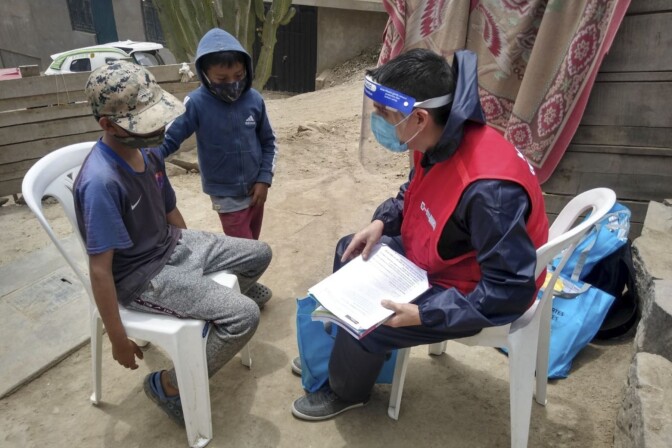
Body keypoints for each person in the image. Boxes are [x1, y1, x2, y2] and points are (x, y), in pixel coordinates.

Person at [291, 49, 549, 420]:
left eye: (384, 114)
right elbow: (415, 194)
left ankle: (347, 389)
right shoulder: (435, 138)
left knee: (372, 322)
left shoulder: (489, 192)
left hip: (476, 287)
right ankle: (341, 357)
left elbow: (509, 289)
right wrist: (383, 222)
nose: (378, 121)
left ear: (419, 117)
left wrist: (425, 314)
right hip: (447, 254)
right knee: (350, 250)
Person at [74, 60, 273, 426]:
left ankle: (211, 309)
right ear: (107, 124)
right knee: (244, 316)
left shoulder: (149, 154)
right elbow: (101, 272)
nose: (158, 130)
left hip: (173, 245)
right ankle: (168, 385)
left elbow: (169, 209)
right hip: (143, 277)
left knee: (260, 253)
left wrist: (198, 254)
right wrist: (117, 338)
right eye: (146, 124)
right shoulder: (101, 184)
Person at [160, 28, 277, 244]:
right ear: (205, 74)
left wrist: (264, 179)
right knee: (245, 250)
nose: (232, 83)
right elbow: (167, 140)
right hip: (226, 195)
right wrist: (145, 162)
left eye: (239, 75)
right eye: (222, 78)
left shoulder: (255, 100)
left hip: (256, 191)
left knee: (253, 246)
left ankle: (244, 277)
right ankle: (244, 277)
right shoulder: (196, 103)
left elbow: (269, 143)